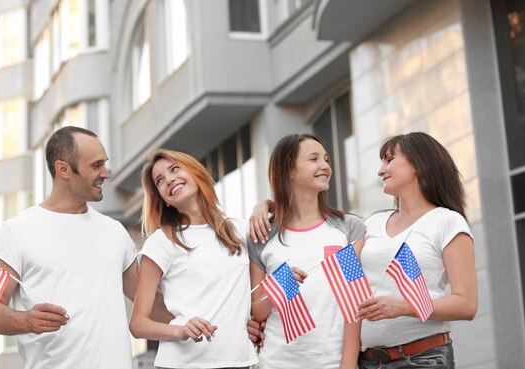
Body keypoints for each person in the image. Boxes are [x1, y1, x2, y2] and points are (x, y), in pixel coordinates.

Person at [0, 126, 171, 369]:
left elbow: (151, 304)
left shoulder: (115, 231)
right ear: (63, 169)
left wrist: (221, 323)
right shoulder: (14, 231)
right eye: (96, 166)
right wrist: (27, 320)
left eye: (104, 164)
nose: (105, 173)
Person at [356, 132, 478, 369]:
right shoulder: (371, 224)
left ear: (418, 165)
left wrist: (401, 306)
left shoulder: (447, 222)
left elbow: (467, 305)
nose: (381, 171)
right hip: (367, 362)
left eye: (389, 160)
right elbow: (343, 281)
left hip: (423, 359)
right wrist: (268, 207)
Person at [129, 149, 259, 369]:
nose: (169, 179)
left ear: (195, 173)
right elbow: (138, 324)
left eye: (175, 169)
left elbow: (260, 290)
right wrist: (179, 330)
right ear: (163, 199)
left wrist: (263, 205)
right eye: (160, 180)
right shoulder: (161, 242)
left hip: (239, 361)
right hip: (182, 364)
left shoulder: (240, 231)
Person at [248, 133, 366, 369]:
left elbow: (356, 305)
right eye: (314, 159)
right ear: (290, 170)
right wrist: (280, 284)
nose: (325, 166)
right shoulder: (262, 236)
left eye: (326, 159)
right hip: (275, 362)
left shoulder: (349, 230)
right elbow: (258, 310)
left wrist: (347, 365)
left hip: (332, 363)